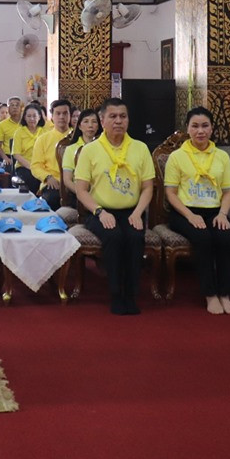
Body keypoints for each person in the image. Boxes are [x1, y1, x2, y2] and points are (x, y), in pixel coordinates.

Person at [74, 98, 154, 315]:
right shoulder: (90, 150)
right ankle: (116, 294)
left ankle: (132, 293)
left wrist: (138, 213)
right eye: (113, 116)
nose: (118, 121)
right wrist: (100, 212)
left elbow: (148, 188)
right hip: (99, 211)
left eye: (123, 116)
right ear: (102, 120)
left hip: (131, 211)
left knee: (135, 236)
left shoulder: (140, 148)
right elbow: (81, 190)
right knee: (114, 236)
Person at [164, 107, 230, 315]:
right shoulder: (177, 157)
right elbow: (170, 193)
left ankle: (225, 294)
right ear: (187, 129)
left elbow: (228, 192)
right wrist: (190, 215)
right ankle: (210, 295)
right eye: (195, 126)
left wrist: (223, 214)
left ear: (212, 129)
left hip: (215, 210)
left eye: (205, 126)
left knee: (224, 238)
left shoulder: (222, 156)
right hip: (184, 212)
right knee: (203, 238)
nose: (200, 131)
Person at [32, 99, 75, 207]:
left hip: (76, 183)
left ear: (70, 116)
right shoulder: (43, 139)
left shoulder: (76, 137)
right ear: (52, 117)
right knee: (52, 199)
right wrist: (48, 177)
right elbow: (35, 166)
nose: (61, 117)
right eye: (58, 113)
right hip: (53, 182)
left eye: (65, 113)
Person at [60, 109, 101, 209]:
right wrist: (84, 195)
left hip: (101, 194)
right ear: (79, 126)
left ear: (99, 126)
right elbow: (67, 180)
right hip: (78, 194)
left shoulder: (104, 147)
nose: (90, 125)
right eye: (86, 121)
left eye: (94, 121)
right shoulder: (71, 149)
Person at [12, 103, 45, 194]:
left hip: (42, 166)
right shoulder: (19, 132)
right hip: (24, 167)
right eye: (29, 116)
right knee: (32, 179)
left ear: (39, 117)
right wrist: (32, 167)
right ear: (24, 118)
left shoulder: (44, 132)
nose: (32, 119)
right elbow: (16, 154)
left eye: (34, 116)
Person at [0, 96, 22, 166]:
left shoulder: (26, 123)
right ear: (8, 108)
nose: (14, 107)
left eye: (17, 105)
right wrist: (5, 158)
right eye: (12, 105)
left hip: (25, 156)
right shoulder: (2, 125)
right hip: (9, 156)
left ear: (21, 108)